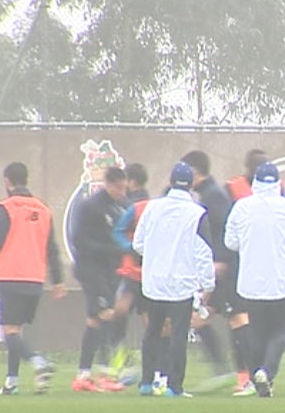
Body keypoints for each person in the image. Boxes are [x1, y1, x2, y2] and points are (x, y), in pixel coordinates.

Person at [0, 162, 66, 395]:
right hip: (35, 278)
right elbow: (52, 248)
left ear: (7, 181)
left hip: (11, 275)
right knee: (16, 330)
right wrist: (57, 280)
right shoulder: (43, 209)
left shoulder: (7, 207)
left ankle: (38, 362)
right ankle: (11, 382)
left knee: (8, 331)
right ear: (26, 179)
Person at [224, 162, 285, 397]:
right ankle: (267, 372)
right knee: (280, 332)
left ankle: (257, 378)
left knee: (257, 333)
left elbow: (230, 243)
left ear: (255, 183)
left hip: (251, 283)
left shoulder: (240, 207)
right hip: (282, 282)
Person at [133, 162, 214, 398]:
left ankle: (146, 382)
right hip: (182, 283)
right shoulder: (197, 213)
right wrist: (208, 284)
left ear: (170, 182)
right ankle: (174, 386)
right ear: (191, 185)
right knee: (178, 334)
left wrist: (156, 255)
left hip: (154, 281)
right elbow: (203, 252)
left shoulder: (152, 208)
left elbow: (138, 244)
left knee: (152, 331)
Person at [181, 150, 238, 392]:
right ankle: (229, 371)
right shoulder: (209, 194)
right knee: (202, 318)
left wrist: (220, 261)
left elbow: (225, 229)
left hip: (220, 269)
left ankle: (231, 371)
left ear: (195, 171)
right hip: (216, 268)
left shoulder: (213, 195)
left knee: (204, 317)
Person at [70, 166, 128, 393]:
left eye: (124, 188)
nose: (121, 192)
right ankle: (106, 374)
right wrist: (110, 249)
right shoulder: (91, 206)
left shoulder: (121, 207)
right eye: (118, 188)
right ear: (108, 184)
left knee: (94, 321)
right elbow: (79, 240)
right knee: (107, 315)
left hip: (110, 271)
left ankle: (83, 375)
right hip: (91, 269)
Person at [223, 148, 269, 394]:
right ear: (248, 168)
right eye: (258, 166)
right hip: (237, 266)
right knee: (238, 321)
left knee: (259, 323)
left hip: (266, 267)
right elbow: (225, 229)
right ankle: (245, 375)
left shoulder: (276, 192)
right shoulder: (231, 190)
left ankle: (259, 373)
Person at [108, 162, 151, 382]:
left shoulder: (139, 207)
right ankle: (122, 360)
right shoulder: (138, 207)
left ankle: (149, 366)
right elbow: (118, 232)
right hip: (133, 273)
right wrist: (132, 248)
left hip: (145, 275)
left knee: (126, 314)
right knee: (123, 312)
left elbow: (116, 232)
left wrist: (130, 247)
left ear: (131, 182)